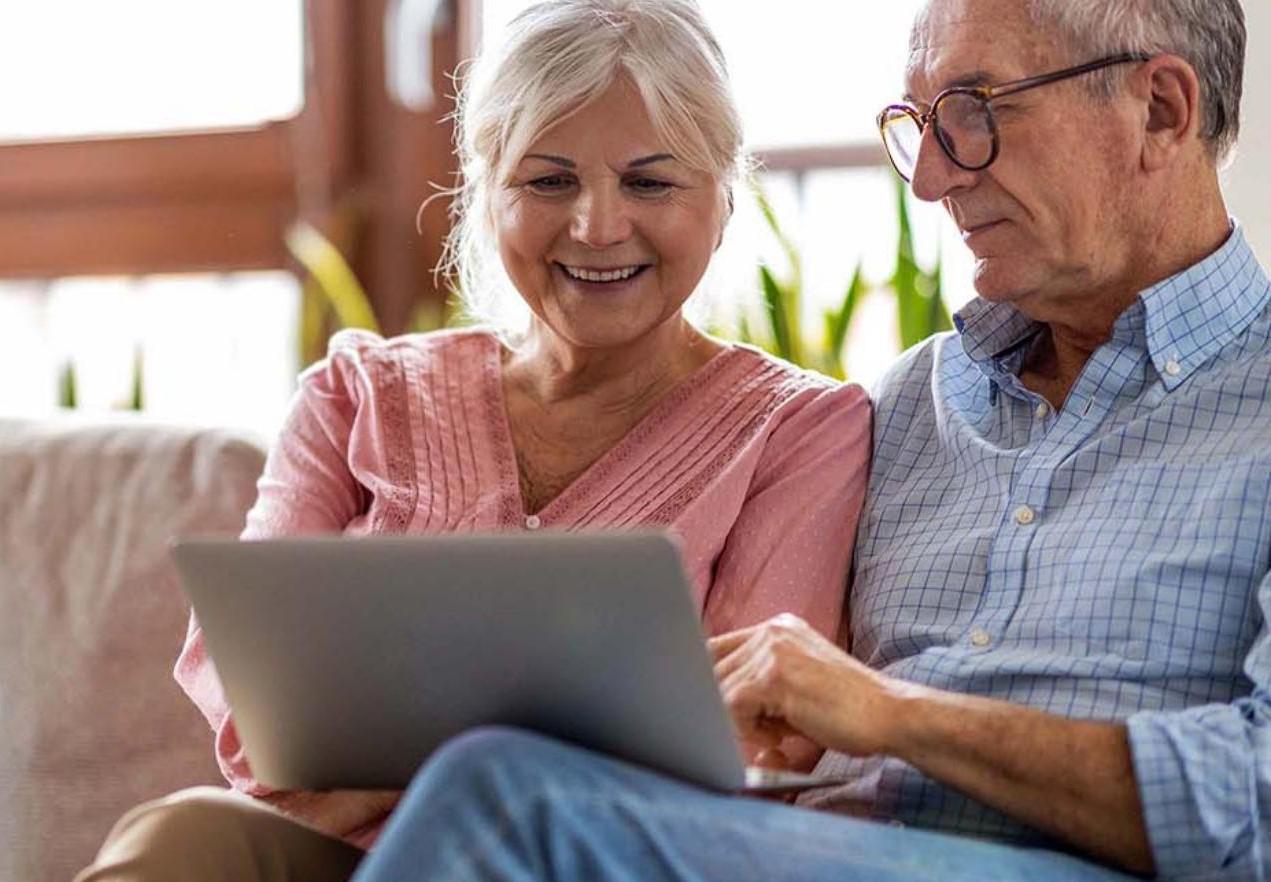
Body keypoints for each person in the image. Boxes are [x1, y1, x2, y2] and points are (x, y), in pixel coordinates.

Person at [333, 1, 1268, 881]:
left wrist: (892, 715)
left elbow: (1258, 797)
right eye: (921, 126)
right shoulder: (906, 404)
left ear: (1158, 108)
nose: (933, 178)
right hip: (809, 843)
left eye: (973, 113)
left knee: (510, 800)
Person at [72, 2, 871, 881]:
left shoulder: (799, 430)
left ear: (723, 198)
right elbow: (256, 697)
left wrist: (386, 771)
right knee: (184, 834)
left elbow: (740, 738)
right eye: (547, 181)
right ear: (484, 192)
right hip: (335, 859)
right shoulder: (355, 393)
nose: (598, 226)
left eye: (650, 182)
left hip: (574, 861)